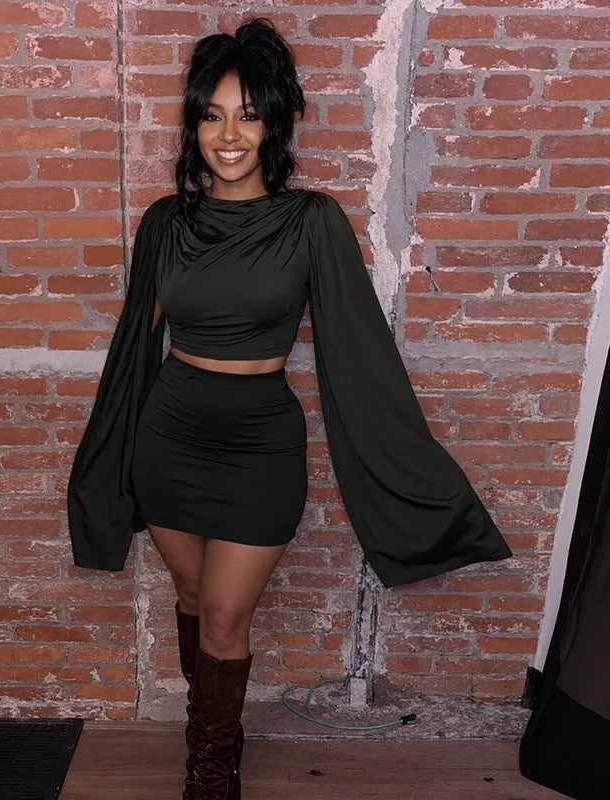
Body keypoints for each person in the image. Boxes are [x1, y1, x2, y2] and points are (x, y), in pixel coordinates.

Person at [67, 16, 512, 800]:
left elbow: (358, 354)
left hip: (257, 448)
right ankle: (213, 742)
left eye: (247, 112)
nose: (228, 134)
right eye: (212, 113)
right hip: (168, 437)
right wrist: (106, 468)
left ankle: (210, 778)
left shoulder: (312, 222)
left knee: (226, 619)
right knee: (195, 599)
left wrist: (416, 478)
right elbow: (133, 353)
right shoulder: (166, 223)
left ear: (274, 120)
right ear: (194, 124)